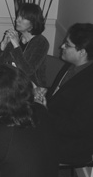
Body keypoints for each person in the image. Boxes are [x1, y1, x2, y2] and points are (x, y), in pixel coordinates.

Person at [43, 23, 93, 165]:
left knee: (15, 142)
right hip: (53, 124)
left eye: (67, 44)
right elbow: (64, 93)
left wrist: (45, 111)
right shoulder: (72, 65)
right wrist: (46, 91)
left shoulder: (90, 85)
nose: (62, 46)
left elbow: (77, 128)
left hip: (70, 145)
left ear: (82, 52)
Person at [0, 3, 49, 87]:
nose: (17, 20)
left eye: (23, 18)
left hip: (32, 88)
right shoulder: (16, 37)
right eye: (18, 16)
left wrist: (16, 46)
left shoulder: (41, 42)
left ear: (33, 23)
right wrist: (3, 45)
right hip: (11, 82)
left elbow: (27, 71)